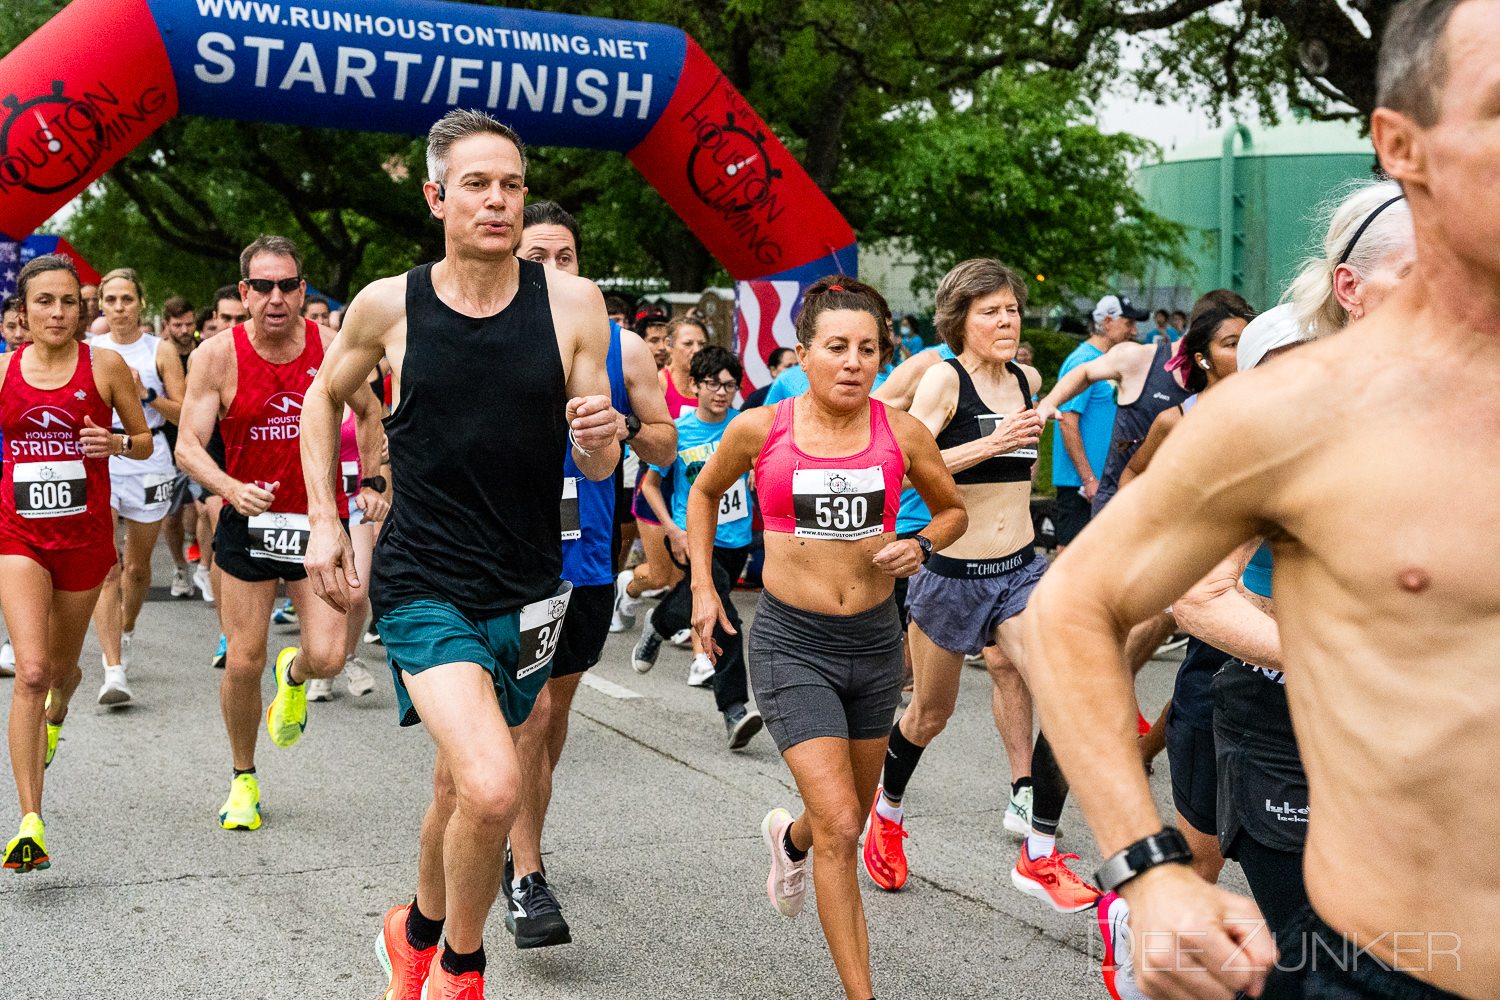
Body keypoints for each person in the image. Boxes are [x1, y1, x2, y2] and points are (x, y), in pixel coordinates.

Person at [1020, 3, 1500, 997]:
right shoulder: (1298, 415)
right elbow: (1069, 608)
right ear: (1401, 145)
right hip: (1398, 965)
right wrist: (1147, 874)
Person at [299, 109, 620, 1000]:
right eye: (477, 184)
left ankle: (416, 928)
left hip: (527, 584)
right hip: (423, 576)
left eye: (512, 184)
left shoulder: (572, 303)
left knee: (453, 783)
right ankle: (462, 971)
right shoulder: (389, 304)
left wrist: (604, 435)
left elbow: (597, 454)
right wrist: (326, 518)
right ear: (438, 197)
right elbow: (321, 403)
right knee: (491, 785)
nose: (498, 201)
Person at [688, 276, 965, 1000]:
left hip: (875, 645)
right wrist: (702, 585)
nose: (853, 361)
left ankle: (790, 842)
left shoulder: (901, 433)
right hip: (791, 644)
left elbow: (952, 511)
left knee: (838, 814)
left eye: (867, 349)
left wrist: (924, 546)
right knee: (845, 824)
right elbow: (704, 491)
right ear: (803, 354)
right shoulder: (762, 428)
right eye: (836, 347)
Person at [859, 260, 1100, 915]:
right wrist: (994, 440)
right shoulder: (945, 380)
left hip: (1019, 571)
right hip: (952, 577)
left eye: (1012, 310)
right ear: (959, 320)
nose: (1005, 320)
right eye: (990, 310)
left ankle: (1040, 854)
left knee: (1071, 695)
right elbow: (905, 468)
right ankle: (886, 811)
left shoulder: (1027, 378)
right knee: (928, 715)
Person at [504, 199, 675, 948]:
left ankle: (515, 829)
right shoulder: (486, 334)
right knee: (528, 715)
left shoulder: (622, 347)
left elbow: (668, 446)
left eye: (563, 257)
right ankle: (526, 874)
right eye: (535, 256)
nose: (550, 270)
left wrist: (626, 427)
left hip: (587, 558)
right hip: (505, 557)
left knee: (553, 714)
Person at [176, 235, 386, 833]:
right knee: (242, 660)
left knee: (330, 655)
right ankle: (243, 778)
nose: (275, 298)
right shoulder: (216, 356)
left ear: (302, 291)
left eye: (288, 285)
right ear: (243, 292)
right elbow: (189, 445)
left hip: (318, 525)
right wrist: (230, 487)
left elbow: (370, 412)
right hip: (250, 524)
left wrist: (372, 479)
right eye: (262, 286)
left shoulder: (329, 346)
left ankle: (292, 675)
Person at [2, 254, 152, 871]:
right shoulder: (5, 370)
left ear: (80, 309)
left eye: (68, 301)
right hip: (19, 537)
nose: (57, 312)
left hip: (86, 540)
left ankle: (63, 704)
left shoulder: (106, 365)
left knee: (61, 673)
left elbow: (144, 440)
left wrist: (114, 442)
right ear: (23, 310)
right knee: (32, 671)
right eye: (45, 302)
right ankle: (29, 820)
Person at [632, 345, 764, 747]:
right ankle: (734, 710)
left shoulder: (744, 427)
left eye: (729, 385)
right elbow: (650, 486)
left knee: (697, 598)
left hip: (737, 539)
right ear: (694, 386)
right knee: (724, 617)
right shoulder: (681, 431)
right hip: (693, 538)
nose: (721, 393)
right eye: (712, 384)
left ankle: (658, 624)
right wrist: (673, 530)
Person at [87, 268, 187, 704]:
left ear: (139, 303)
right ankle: (113, 671)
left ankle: (126, 630)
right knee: (107, 566)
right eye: (111, 300)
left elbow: (183, 413)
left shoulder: (159, 349)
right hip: (99, 458)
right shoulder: (89, 349)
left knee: (137, 569)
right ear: (102, 306)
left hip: (147, 456)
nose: (120, 308)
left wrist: (145, 393)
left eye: (127, 299)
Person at [612, 316, 707, 629]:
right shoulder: (659, 382)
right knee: (659, 575)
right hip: (656, 484)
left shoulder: (711, 386)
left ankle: (687, 627)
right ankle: (628, 588)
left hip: (693, 486)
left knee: (686, 570)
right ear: (670, 345)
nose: (695, 350)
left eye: (701, 344)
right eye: (687, 343)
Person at [1048, 294, 1143, 552]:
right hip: (1080, 485)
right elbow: (1066, 421)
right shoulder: (1083, 361)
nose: (1134, 331)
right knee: (1072, 561)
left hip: (1104, 482)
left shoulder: (1106, 362)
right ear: (1108, 322)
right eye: (1129, 323)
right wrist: (1088, 479)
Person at [159, 295, 200, 599]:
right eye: (178, 325)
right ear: (166, 325)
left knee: (204, 509)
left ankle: (204, 562)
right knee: (170, 516)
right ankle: (178, 567)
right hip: (168, 444)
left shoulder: (205, 352)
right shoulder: (159, 356)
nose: (185, 330)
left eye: (189, 324)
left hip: (202, 442)